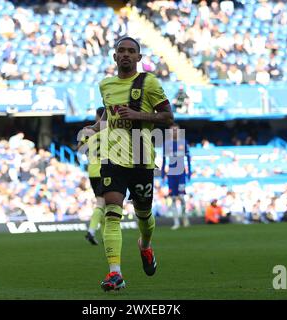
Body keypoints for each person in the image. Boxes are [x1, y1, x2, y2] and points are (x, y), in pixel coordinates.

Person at [85, 36, 174, 291]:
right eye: (121, 51)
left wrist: (137, 114)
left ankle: (145, 245)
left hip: (141, 160)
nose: (125, 54)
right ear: (114, 56)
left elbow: (168, 117)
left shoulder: (149, 83)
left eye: (131, 51)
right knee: (112, 212)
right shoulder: (106, 85)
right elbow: (108, 117)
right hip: (113, 159)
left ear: (138, 57)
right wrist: (93, 128)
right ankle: (116, 274)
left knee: (143, 216)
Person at [78, 107, 106, 245]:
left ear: (97, 116)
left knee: (103, 205)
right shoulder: (109, 130)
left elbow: (79, 148)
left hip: (92, 171)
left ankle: (104, 236)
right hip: (105, 170)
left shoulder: (88, 131)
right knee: (102, 204)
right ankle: (91, 230)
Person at [161, 123, 191, 230]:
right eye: (172, 130)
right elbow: (164, 160)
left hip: (181, 173)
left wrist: (189, 172)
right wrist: (162, 174)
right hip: (171, 175)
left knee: (182, 197)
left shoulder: (183, 142)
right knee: (173, 198)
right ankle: (176, 222)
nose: (174, 131)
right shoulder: (166, 144)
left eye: (176, 130)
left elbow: (188, 158)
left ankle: (185, 218)